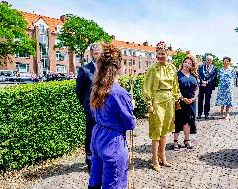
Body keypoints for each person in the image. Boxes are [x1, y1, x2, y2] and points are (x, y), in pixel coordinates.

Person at [88, 44, 136, 189]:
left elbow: (93, 112)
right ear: (116, 66)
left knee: (95, 179)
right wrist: (131, 106)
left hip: (97, 137)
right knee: (114, 182)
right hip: (112, 142)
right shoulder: (119, 93)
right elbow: (130, 124)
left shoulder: (96, 87)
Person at [142, 41, 180, 172]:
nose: (160, 56)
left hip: (169, 100)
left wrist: (176, 99)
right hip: (157, 100)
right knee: (156, 130)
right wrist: (149, 103)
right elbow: (146, 86)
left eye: (163, 54)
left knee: (165, 129)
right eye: (158, 54)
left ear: (167, 54)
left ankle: (162, 156)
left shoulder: (172, 68)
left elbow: (175, 85)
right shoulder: (153, 68)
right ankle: (154, 159)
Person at [75, 43, 102, 170]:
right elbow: (79, 91)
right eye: (96, 53)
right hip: (90, 108)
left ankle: (99, 155)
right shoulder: (84, 70)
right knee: (90, 132)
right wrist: (86, 104)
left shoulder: (105, 69)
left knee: (101, 132)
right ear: (91, 54)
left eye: (101, 53)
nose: (99, 56)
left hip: (103, 108)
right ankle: (89, 157)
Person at [173, 57, 198, 150]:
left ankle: (187, 140)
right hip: (180, 102)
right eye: (185, 62)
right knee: (178, 121)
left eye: (189, 63)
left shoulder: (194, 76)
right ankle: (175, 141)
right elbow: (175, 89)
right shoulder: (177, 75)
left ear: (192, 66)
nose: (186, 64)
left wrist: (194, 98)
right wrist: (182, 98)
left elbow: (197, 89)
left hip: (191, 102)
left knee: (188, 121)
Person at [197, 55, 217, 119]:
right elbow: (199, 75)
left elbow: (214, 77)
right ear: (206, 60)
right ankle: (199, 114)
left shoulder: (214, 68)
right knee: (200, 100)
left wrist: (207, 82)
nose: (208, 61)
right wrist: (202, 81)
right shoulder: (201, 67)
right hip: (202, 85)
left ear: (212, 61)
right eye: (207, 59)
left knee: (207, 100)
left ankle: (206, 114)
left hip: (209, 86)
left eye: (210, 60)